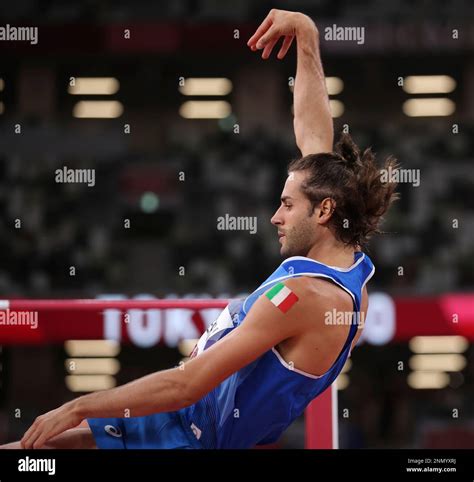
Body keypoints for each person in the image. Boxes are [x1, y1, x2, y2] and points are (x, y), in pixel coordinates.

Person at [1, 8, 397, 450]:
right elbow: (312, 133)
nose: (275, 216)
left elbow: (185, 385)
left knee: (32, 452)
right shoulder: (351, 262)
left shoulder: (304, 299)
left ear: (323, 211)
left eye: (286, 205)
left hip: (188, 435)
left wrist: (77, 406)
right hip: (186, 417)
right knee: (30, 453)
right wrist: (306, 37)